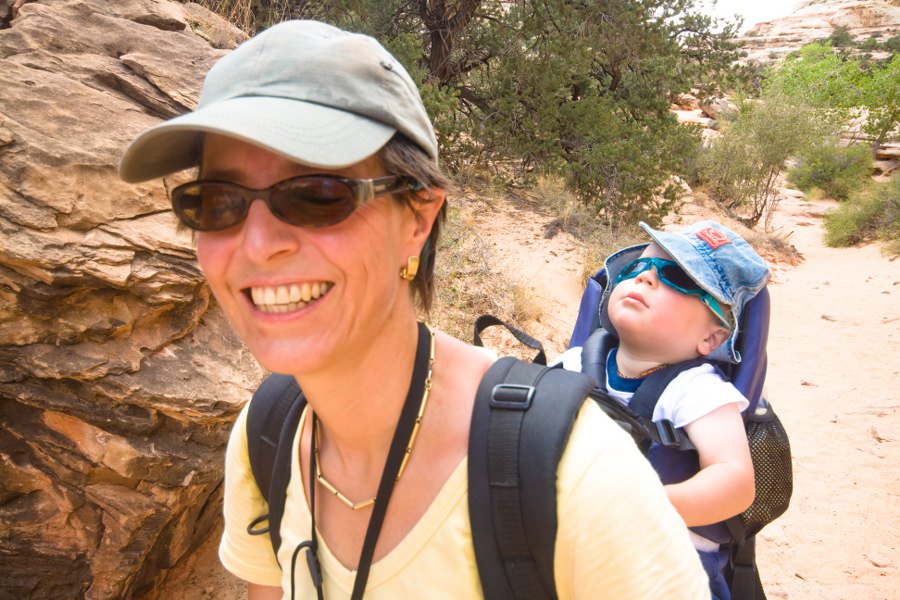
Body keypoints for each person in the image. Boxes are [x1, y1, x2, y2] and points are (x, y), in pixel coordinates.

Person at [119, 20, 708, 599]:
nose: (256, 244)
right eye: (218, 202)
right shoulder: (267, 435)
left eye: (318, 194)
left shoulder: (574, 477)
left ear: (418, 219)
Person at [558, 220, 771, 600]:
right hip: (572, 542)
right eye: (636, 269)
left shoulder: (697, 390)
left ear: (713, 337)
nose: (646, 279)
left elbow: (736, 481)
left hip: (666, 563)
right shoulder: (574, 363)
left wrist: (649, 504)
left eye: (676, 276)